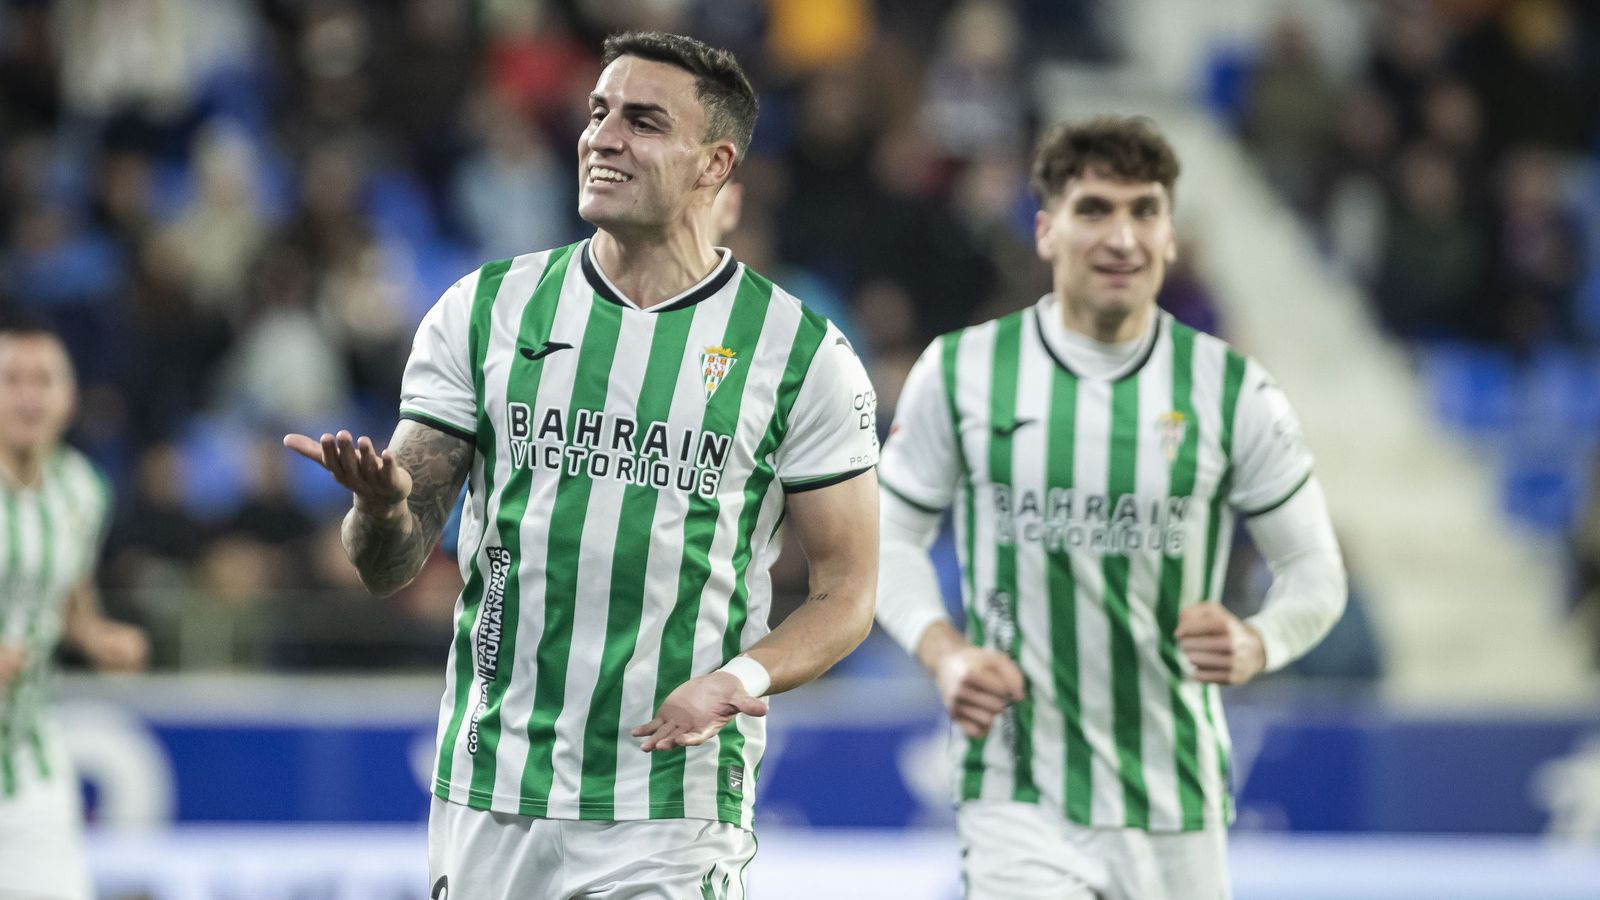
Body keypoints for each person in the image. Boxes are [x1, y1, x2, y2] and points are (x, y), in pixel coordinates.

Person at [285, 31, 879, 900]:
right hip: (494, 787)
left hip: (670, 801)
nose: (603, 137)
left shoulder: (800, 354)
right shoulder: (485, 309)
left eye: (642, 121)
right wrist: (381, 512)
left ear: (715, 164)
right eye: (598, 113)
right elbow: (389, 566)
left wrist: (735, 678)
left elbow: (848, 592)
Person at [873, 117, 1348, 899]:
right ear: (1046, 230)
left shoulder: (1234, 391)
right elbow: (886, 541)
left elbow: (1314, 572)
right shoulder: (960, 372)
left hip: (1174, 799)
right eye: (1094, 209)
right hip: (1016, 788)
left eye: (1144, 210)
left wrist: (1257, 640)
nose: (1122, 236)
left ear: (1169, 236)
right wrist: (944, 652)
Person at [0, 316, 149, 899]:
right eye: (12, 379)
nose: (29, 396)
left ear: (69, 398)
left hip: (32, 755)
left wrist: (96, 636)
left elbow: (69, 602)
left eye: (45, 380)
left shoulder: (83, 491)